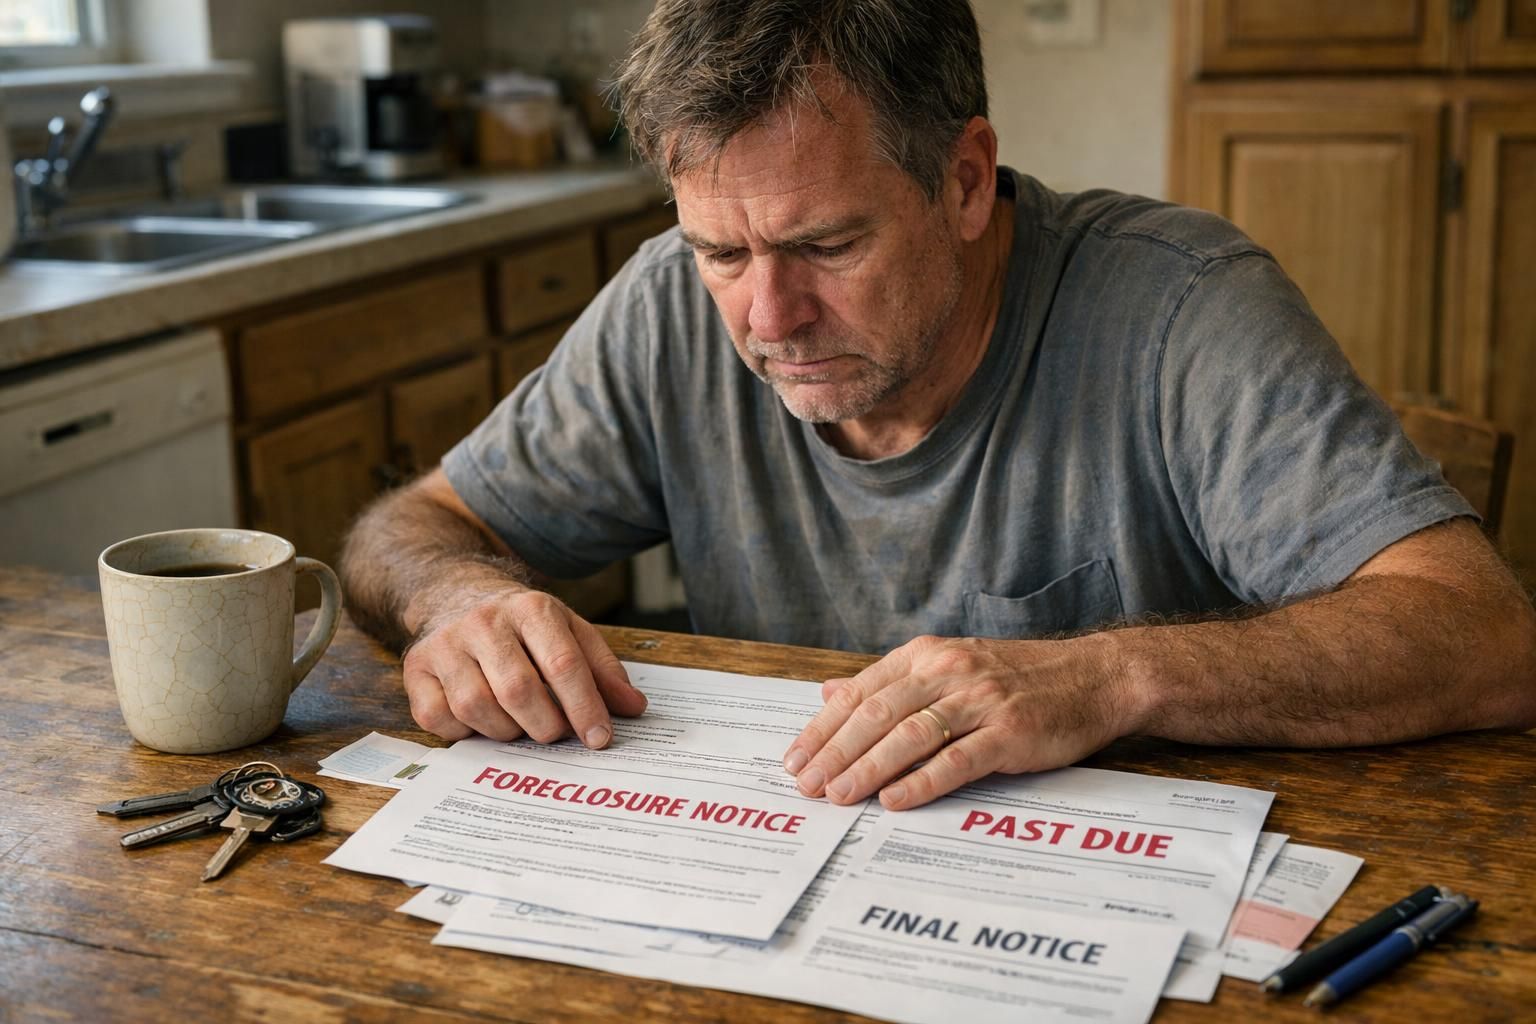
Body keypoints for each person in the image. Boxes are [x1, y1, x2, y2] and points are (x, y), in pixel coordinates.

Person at [342, 0, 1536, 814]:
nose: (767, 315)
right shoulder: (668, 305)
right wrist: (463, 595)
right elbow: (411, 527)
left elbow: (1485, 636)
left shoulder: (1182, 310)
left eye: (826, 243)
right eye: (719, 250)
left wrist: (1111, 677)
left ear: (965, 180)